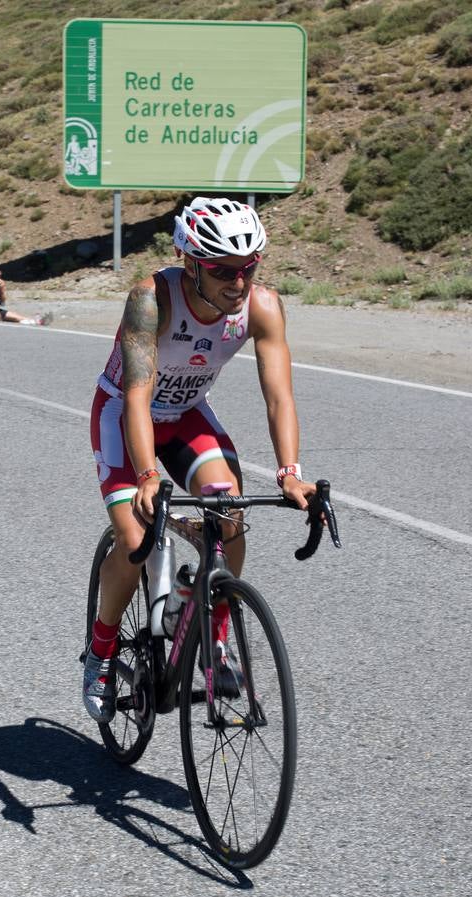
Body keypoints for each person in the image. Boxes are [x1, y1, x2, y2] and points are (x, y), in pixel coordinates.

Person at [82, 196, 318, 723]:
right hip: (125, 412)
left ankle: (213, 645)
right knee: (137, 538)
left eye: (249, 268)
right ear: (190, 263)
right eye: (223, 271)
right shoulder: (151, 299)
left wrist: (289, 472)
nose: (239, 283)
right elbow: (138, 397)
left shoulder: (262, 307)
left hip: (187, 413)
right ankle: (100, 652)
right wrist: (145, 476)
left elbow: (279, 396)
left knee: (228, 514)